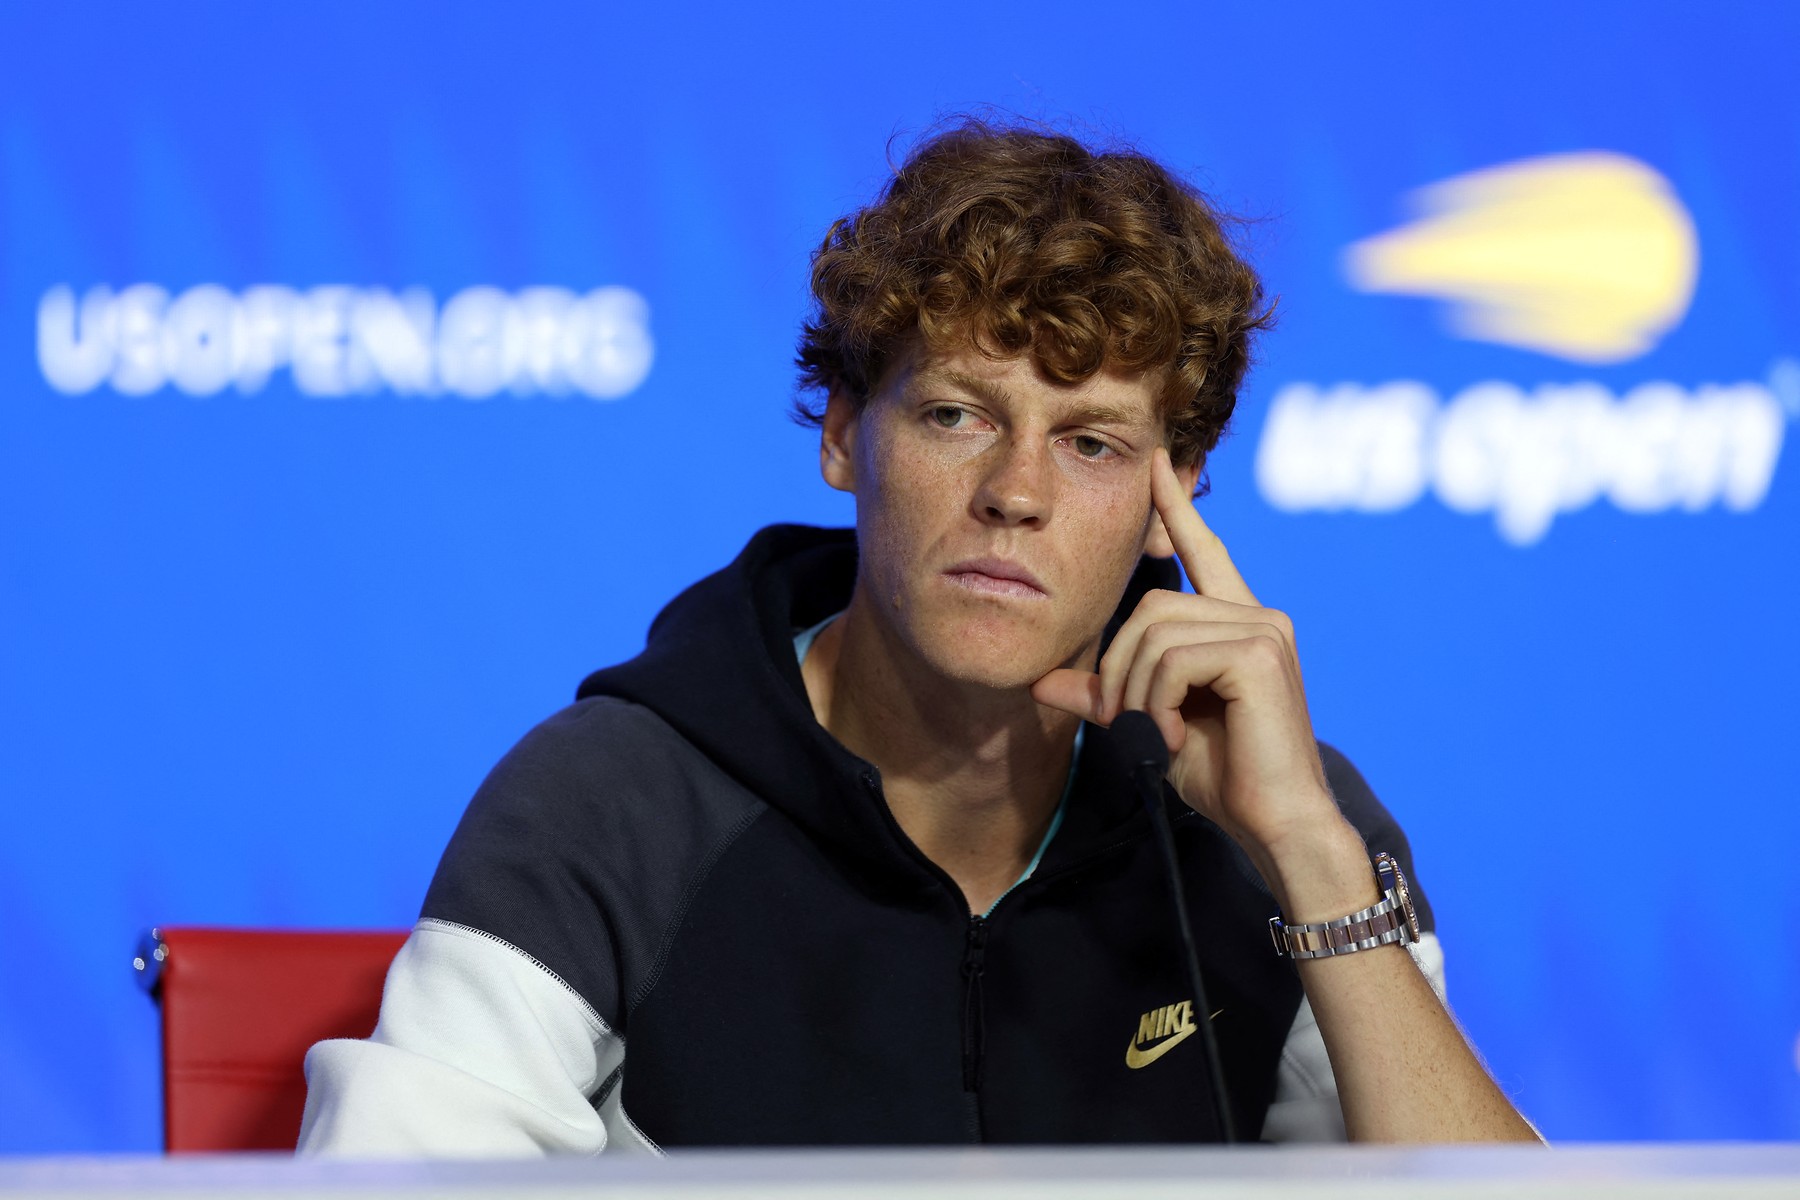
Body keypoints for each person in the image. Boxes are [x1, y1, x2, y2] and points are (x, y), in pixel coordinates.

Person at [298, 119, 1539, 1155]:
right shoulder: (611, 802)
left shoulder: (1283, 820)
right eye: (956, 413)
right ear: (843, 435)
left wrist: (1313, 860)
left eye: (1092, 442)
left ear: (1178, 492)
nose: (1017, 491)